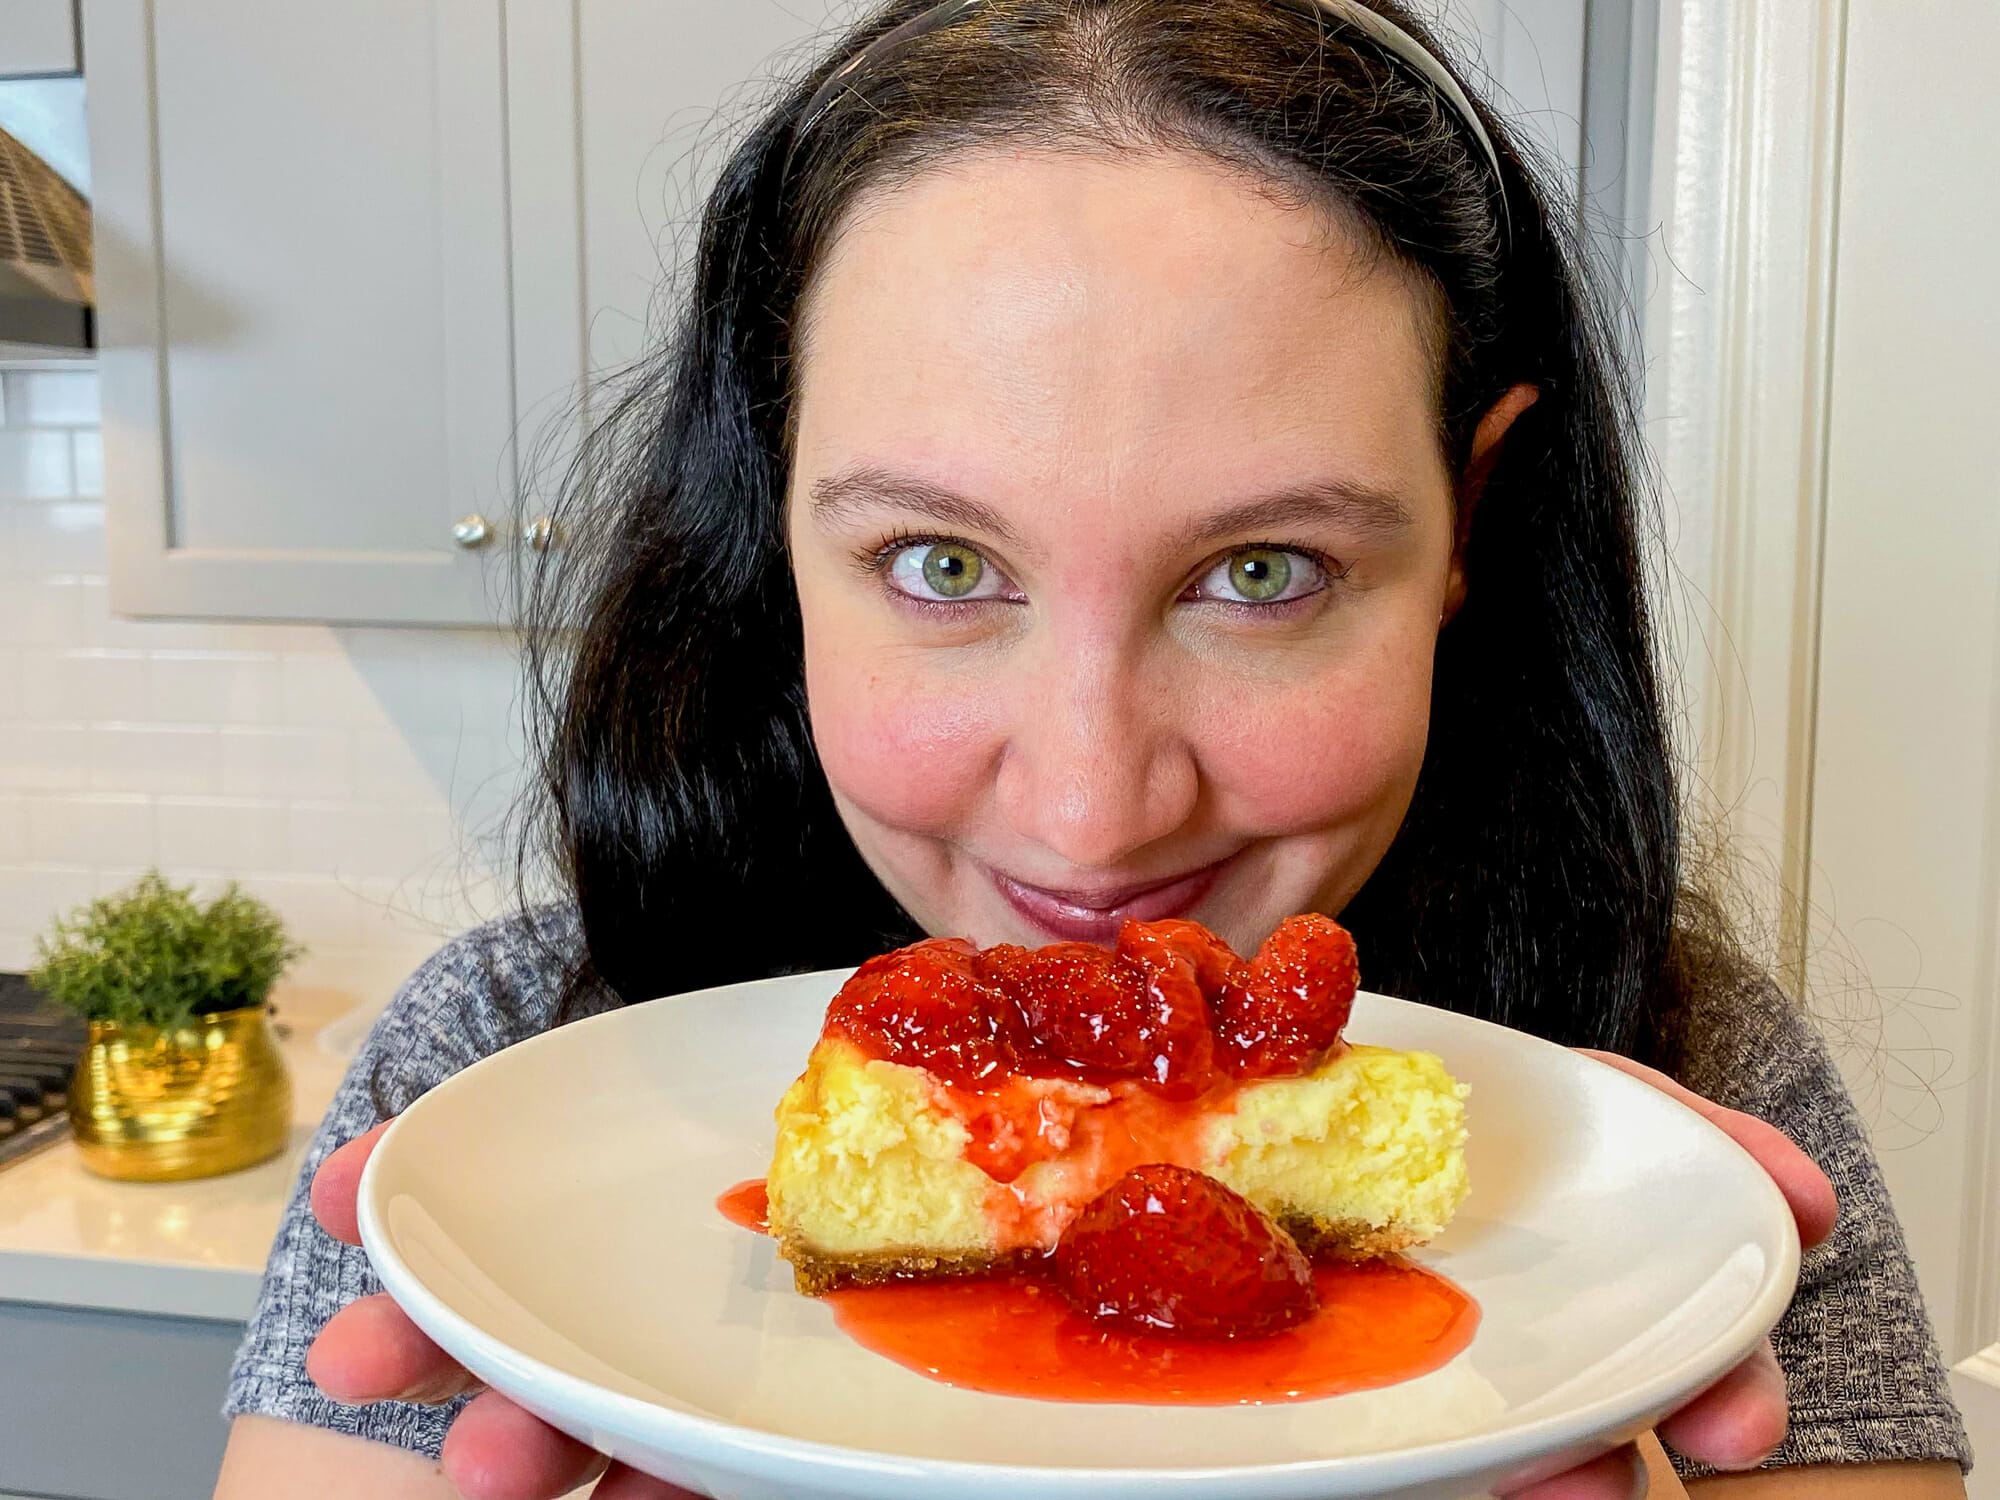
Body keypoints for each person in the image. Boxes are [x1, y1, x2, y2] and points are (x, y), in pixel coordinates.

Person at [213, 1, 1973, 1495]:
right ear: (773, 534)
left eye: (1262, 574)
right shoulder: (485, 1093)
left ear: (1465, 537)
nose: (1090, 806)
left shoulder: (1691, 1147)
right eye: (944, 565)